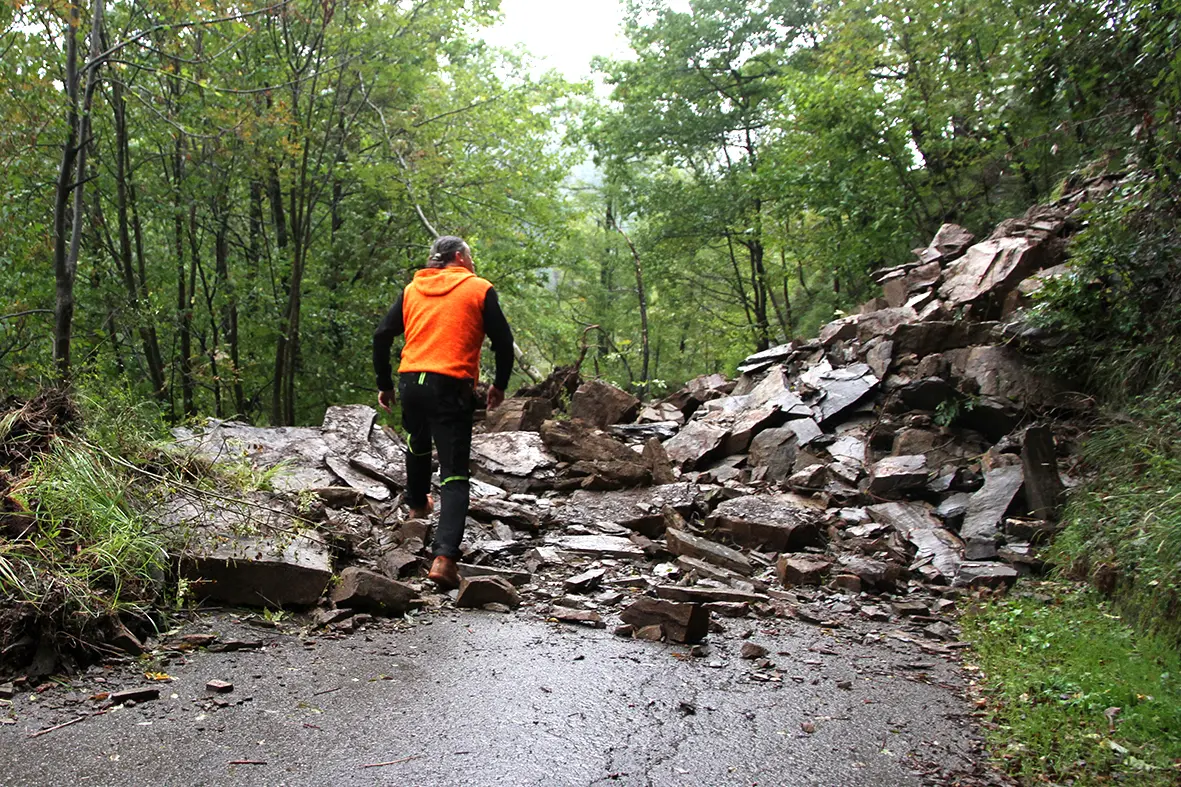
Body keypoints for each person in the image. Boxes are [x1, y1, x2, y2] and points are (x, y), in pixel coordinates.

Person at [373, 236, 513, 590]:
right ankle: (445, 558)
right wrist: (500, 384)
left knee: (417, 442)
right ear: (458, 257)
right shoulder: (479, 289)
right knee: (453, 474)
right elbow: (502, 341)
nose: (473, 261)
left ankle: (417, 506)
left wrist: (385, 384)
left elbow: (381, 335)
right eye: (471, 255)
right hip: (449, 384)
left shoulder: (412, 290)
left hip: (411, 381)